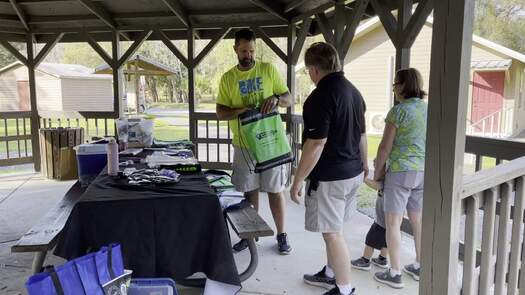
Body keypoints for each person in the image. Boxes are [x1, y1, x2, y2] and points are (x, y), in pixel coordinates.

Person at [290, 42, 367, 295]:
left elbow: (316, 143)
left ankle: (344, 290)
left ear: (313, 69)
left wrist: (298, 179)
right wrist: (365, 165)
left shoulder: (319, 97)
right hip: (353, 171)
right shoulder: (354, 92)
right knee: (336, 230)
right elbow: (362, 135)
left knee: (332, 234)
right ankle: (331, 274)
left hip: (332, 178)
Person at [216, 28, 292, 254]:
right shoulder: (228, 78)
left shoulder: (268, 70)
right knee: (250, 192)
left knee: (275, 191)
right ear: (235, 50)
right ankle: (252, 235)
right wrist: (241, 110)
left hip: (271, 143)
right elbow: (220, 112)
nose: (247, 55)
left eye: (251, 50)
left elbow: (288, 98)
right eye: (243, 51)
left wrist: (277, 99)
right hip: (244, 145)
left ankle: (281, 234)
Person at [373, 68, 427, 289]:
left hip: (401, 171)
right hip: (422, 172)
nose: (394, 87)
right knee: (418, 221)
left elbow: (385, 146)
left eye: (396, 83)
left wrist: (377, 174)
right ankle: (419, 265)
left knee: (392, 223)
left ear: (404, 86)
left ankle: (395, 273)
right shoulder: (427, 110)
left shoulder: (398, 111)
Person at [351, 171, 389, 271]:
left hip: (381, 221)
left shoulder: (388, 179)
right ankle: (382, 258)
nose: (374, 162)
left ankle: (365, 260)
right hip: (389, 221)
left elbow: (376, 185)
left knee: (370, 240)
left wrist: (363, 178)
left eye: (376, 162)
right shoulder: (392, 178)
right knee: (387, 240)